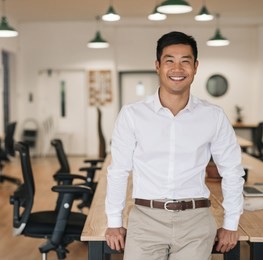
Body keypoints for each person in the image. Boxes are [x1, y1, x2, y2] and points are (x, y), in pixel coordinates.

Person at [105, 31, 244, 259]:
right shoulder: (132, 115)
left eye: (185, 61)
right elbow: (118, 171)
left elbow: (232, 171)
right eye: (170, 61)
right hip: (145, 218)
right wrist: (114, 221)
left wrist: (231, 223)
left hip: (196, 221)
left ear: (196, 66)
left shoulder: (213, 116)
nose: (177, 69)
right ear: (157, 65)